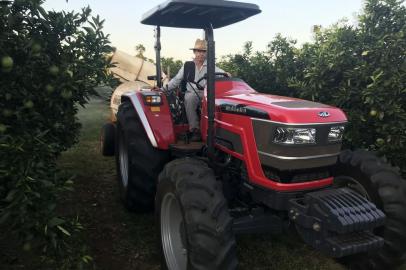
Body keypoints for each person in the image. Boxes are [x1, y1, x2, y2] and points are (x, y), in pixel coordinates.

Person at [166, 38, 228, 141]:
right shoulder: (188, 66)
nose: (201, 54)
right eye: (199, 51)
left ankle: (215, 130)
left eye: (203, 51)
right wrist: (163, 89)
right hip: (192, 93)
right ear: (194, 52)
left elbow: (222, 73)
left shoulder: (210, 66)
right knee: (189, 98)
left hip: (206, 93)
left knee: (218, 102)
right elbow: (176, 80)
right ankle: (195, 129)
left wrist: (227, 74)